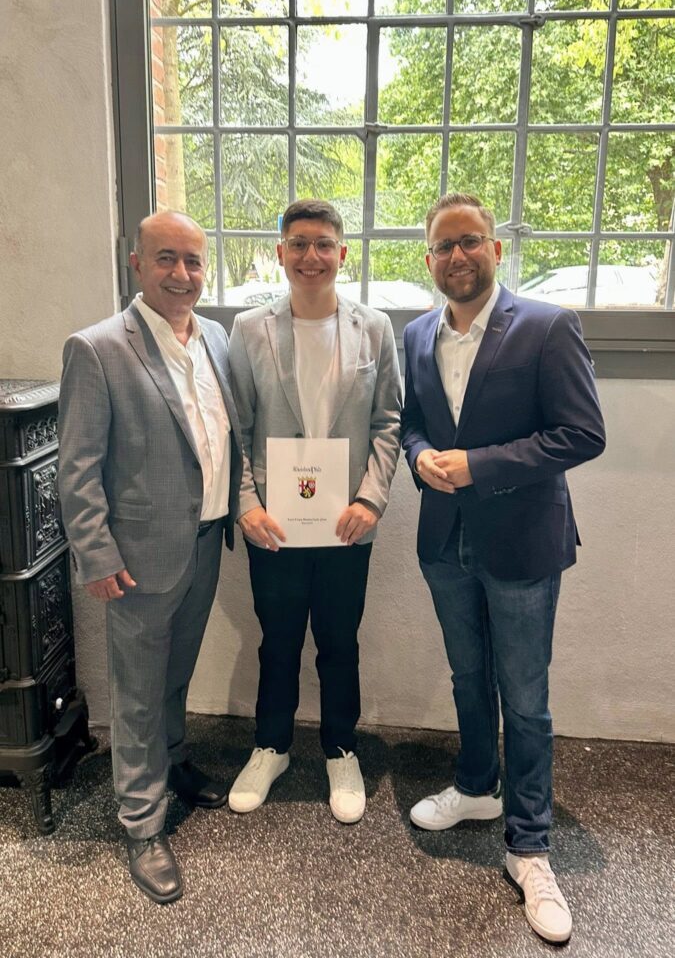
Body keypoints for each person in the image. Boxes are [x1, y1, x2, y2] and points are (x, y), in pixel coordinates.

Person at [402, 193, 605, 944]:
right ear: (428, 259)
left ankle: (530, 846)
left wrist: (477, 465)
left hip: (521, 543)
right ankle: (475, 786)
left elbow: (581, 433)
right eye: (443, 246)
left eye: (469, 241)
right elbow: (412, 422)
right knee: (467, 676)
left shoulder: (547, 327)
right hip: (444, 542)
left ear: (494, 248)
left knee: (524, 697)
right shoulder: (416, 334)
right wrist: (421, 454)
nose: (456, 256)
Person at [58, 211, 242, 904]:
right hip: (136, 556)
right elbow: (77, 467)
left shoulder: (216, 338)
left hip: (205, 539)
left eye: (193, 261)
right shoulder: (97, 348)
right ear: (136, 263)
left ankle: (173, 763)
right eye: (166, 258)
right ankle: (141, 821)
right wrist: (96, 554)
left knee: (175, 673)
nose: (182, 274)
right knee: (136, 691)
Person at [227, 199, 401, 824]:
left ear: (342, 253)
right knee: (276, 639)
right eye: (298, 244)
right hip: (273, 523)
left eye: (324, 244)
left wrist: (371, 499)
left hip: (345, 522)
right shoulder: (249, 329)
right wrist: (245, 504)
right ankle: (271, 746)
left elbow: (388, 423)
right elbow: (236, 428)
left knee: (338, 640)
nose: (311, 256)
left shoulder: (374, 328)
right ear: (281, 252)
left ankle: (340, 749)